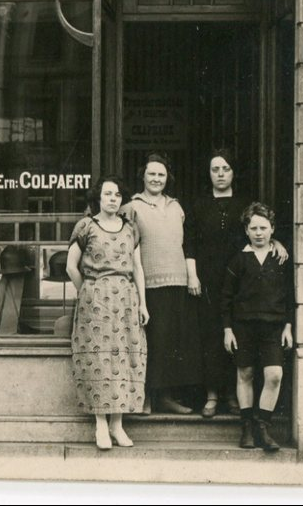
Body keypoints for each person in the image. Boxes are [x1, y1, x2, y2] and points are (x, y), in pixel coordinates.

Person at [184, 149, 288, 417]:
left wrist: (276, 242)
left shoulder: (244, 204)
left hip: (239, 282)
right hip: (206, 281)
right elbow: (190, 243)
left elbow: (260, 229)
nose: (220, 174)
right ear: (209, 173)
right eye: (215, 169)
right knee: (211, 336)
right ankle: (212, 396)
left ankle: (233, 394)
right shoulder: (198, 204)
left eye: (225, 169)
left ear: (233, 172)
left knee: (236, 340)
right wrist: (192, 275)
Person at [67, 176, 149, 450]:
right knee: (98, 361)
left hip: (126, 301)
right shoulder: (86, 226)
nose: (113, 199)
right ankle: (100, 424)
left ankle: (118, 424)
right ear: (98, 198)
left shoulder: (131, 229)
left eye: (117, 195)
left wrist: (143, 303)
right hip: (95, 302)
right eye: (107, 194)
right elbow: (70, 266)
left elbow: (137, 268)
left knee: (124, 359)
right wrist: (87, 292)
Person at [120, 153, 201, 414]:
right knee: (153, 342)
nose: (156, 179)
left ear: (168, 178)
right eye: (152, 174)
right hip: (149, 285)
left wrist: (190, 276)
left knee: (174, 343)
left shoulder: (176, 206)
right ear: (143, 176)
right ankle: (146, 398)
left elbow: (186, 243)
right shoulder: (132, 207)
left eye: (161, 175)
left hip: (178, 283)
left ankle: (166, 396)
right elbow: (128, 249)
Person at [221, 202, 295, 452]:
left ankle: (262, 425)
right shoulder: (239, 259)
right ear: (246, 230)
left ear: (272, 229)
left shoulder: (280, 258)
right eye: (254, 228)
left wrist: (288, 326)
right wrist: (227, 329)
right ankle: (247, 428)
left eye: (264, 227)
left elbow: (289, 294)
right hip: (243, 326)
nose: (259, 233)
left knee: (274, 375)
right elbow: (226, 298)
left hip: (273, 327)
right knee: (246, 374)